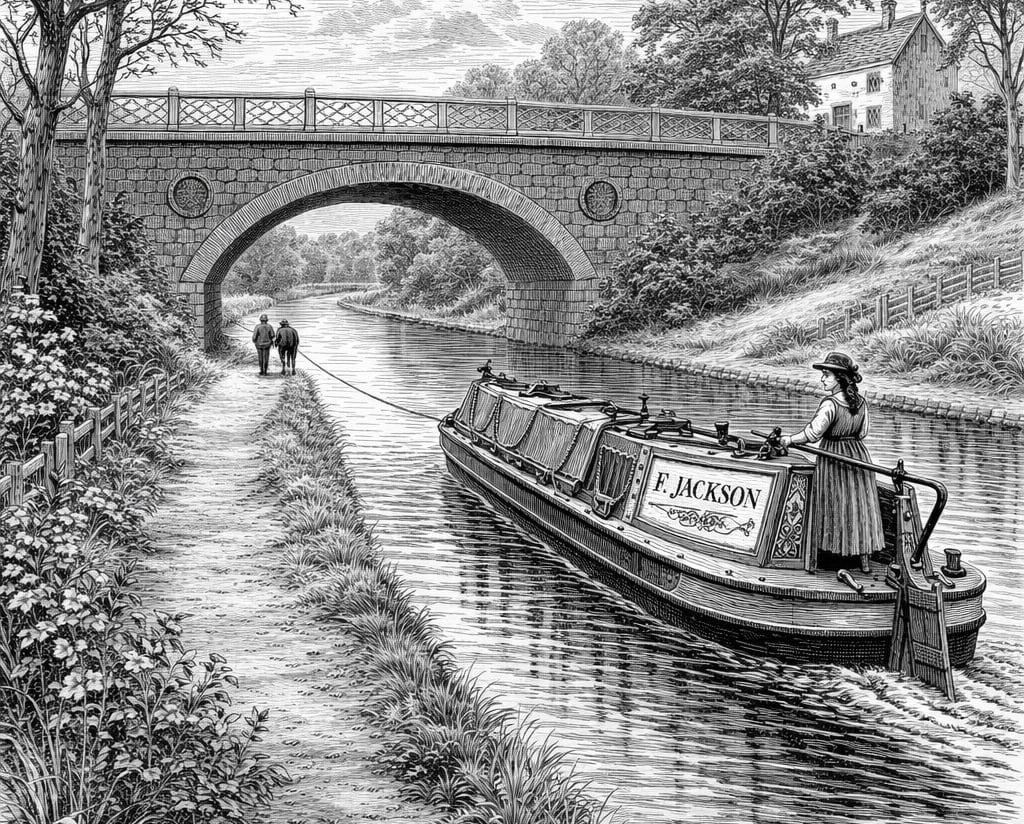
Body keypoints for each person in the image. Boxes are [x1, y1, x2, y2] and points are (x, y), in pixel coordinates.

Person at [780, 352, 884, 574]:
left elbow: (813, 433)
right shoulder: (862, 403)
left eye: (826, 375)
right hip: (858, 456)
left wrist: (789, 440)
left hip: (833, 456)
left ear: (839, 378)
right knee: (859, 506)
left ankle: (829, 556)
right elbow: (864, 433)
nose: (822, 379)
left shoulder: (830, 404)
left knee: (834, 502)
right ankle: (864, 561)